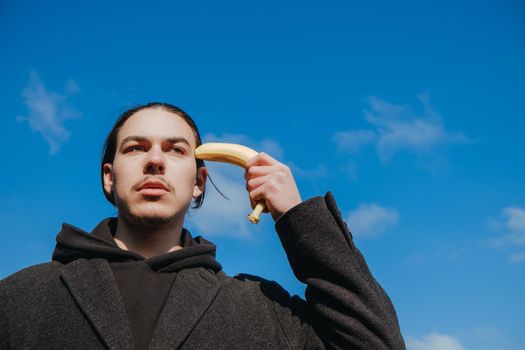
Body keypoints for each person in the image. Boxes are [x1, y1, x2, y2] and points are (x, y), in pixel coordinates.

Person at [0, 102, 405, 349]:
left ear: (198, 182)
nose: (154, 160)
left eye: (176, 150)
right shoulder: (21, 297)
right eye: (135, 148)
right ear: (110, 177)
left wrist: (297, 218)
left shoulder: (260, 308)